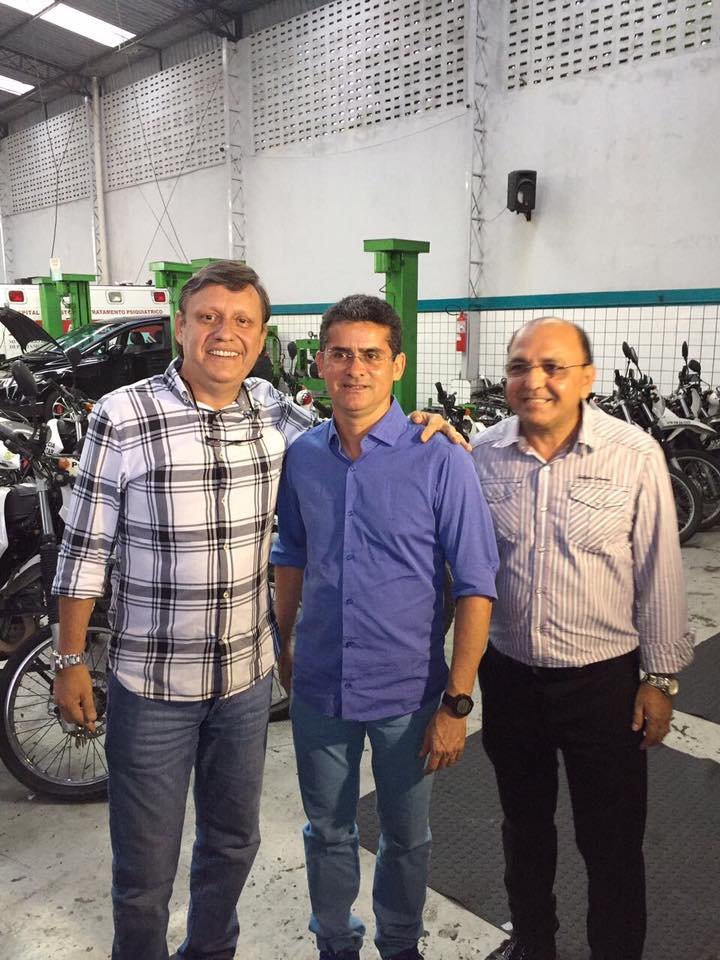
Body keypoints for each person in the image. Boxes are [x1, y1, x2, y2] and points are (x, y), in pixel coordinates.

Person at [51, 262, 464, 960]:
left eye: (242, 320)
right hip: (153, 682)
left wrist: (424, 422)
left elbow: (353, 423)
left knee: (233, 841)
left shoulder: (274, 410)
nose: (225, 333)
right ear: (180, 326)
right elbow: (84, 548)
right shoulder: (122, 417)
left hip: (245, 681)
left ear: (261, 334)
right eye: (208, 317)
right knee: (145, 867)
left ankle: (211, 950)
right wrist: (69, 658)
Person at [271, 294, 499, 960]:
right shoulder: (303, 456)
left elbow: (476, 584)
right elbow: (291, 553)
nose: (355, 369)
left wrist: (457, 702)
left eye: (371, 354)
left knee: (405, 837)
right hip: (320, 687)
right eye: (340, 354)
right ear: (320, 363)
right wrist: (284, 641)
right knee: (327, 831)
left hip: (410, 694)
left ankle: (401, 946)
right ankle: (335, 944)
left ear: (397, 365)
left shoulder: (440, 458)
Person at [472, 317, 694, 960]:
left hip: (604, 685)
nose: (534, 380)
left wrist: (659, 679)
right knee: (524, 829)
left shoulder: (633, 454)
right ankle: (532, 944)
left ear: (588, 378)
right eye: (519, 367)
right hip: (510, 678)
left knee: (612, 842)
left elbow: (659, 571)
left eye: (553, 366)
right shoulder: (481, 454)